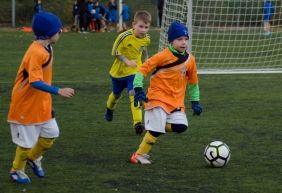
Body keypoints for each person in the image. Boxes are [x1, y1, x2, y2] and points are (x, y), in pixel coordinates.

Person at [7, 11, 75, 184]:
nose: (61, 32)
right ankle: (16, 170)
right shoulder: (36, 52)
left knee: (51, 134)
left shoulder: (47, 46)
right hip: (26, 104)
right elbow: (34, 82)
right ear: (48, 33)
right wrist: (58, 90)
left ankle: (33, 158)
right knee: (26, 143)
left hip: (41, 102)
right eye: (58, 30)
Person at [130, 21, 203, 164]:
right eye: (179, 39)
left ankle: (154, 125)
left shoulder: (190, 60)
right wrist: (138, 88)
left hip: (175, 101)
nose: (183, 43)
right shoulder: (162, 56)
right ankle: (138, 155)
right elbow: (142, 70)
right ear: (171, 40)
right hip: (157, 98)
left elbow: (193, 83)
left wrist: (195, 101)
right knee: (156, 131)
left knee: (181, 127)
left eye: (186, 39)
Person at [104, 10, 151, 135]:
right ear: (134, 24)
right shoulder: (123, 37)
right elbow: (115, 52)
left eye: (146, 27)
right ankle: (109, 108)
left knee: (134, 93)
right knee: (116, 95)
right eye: (141, 26)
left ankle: (138, 123)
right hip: (118, 73)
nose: (143, 30)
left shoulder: (146, 38)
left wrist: (147, 61)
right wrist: (127, 61)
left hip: (135, 71)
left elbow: (144, 49)